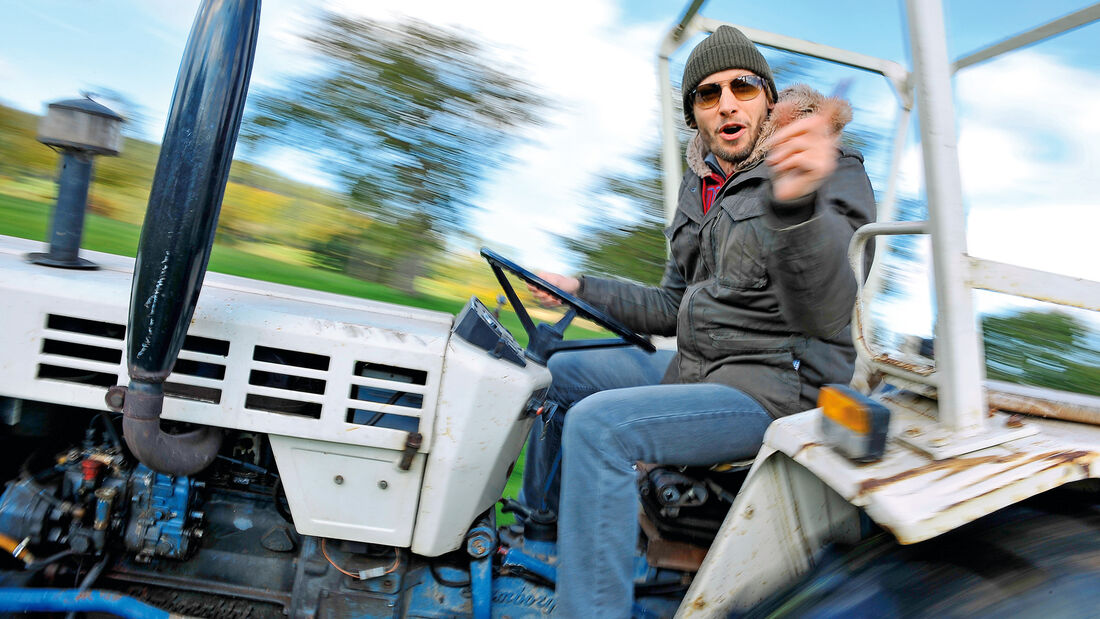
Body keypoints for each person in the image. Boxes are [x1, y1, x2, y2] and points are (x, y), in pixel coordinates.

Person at [520, 25, 876, 617]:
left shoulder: (826, 172)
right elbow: (672, 307)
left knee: (600, 428)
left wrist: (797, 204)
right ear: (696, 116)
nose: (727, 102)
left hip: (775, 389)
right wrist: (581, 288)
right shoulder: (702, 185)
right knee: (553, 370)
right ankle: (542, 545)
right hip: (699, 368)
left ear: (769, 99)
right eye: (708, 95)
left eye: (742, 86)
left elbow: (825, 309)